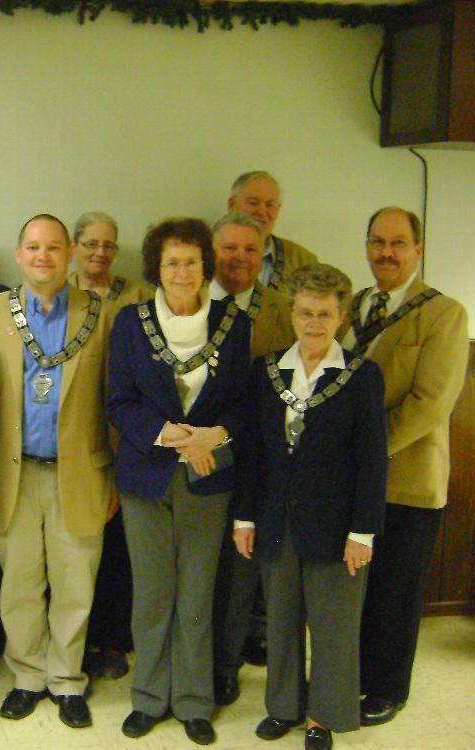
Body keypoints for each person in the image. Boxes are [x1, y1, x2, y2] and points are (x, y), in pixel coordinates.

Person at [106, 218, 250, 746]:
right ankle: (148, 697)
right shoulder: (131, 322)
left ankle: (193, 701)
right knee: (152, 594)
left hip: (210, 477)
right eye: (172, 262)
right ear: (156, 269)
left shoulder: (233, 323)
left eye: (191, 261)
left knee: (196, 594)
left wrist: (212, 436)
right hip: (146, 477)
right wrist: (170, 436)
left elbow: (241, 403)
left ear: (205, 266)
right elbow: (118, 401)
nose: (182, 271)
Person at [233, 263, 387, 750]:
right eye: (305, 313)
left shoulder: (361, 376)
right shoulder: (268, 371)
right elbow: (254, 451)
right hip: (277, 519)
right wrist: (245, 515)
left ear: (341, 316)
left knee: (333, 627)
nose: (314, 322)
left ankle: (323, 715)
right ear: (292, 313)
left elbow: (371, 460)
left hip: (338, 527)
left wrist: (363, 532)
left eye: (324, 314)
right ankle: (283, 707)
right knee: (279, 620)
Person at [0, 214, 116, 730]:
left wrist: (116, 478)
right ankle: (28, 676)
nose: (43, 257)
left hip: (80, 473)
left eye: (54, 248)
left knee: (76, 583)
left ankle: (66, 679)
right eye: (33, 247)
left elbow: (113, 401)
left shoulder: (103, 315)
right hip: (11, 474)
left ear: (70, 254)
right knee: (20, 585)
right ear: (17, 254)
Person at [343, 207, 469, 727]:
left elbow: (431, 403)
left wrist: (368, 453)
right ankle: (349, 676)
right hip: (350, 479)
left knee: (395, 590)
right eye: (377, 242)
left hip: (407, 479)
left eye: (398, 243)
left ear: (418, 249)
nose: (386, 253)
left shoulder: (445, 312)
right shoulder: (352, 306)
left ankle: (387, 688)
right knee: (356, 587)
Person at [208, 211, 297, 706]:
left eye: (249, 250)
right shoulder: (190, 302)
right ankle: (194, 659)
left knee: (241, 573)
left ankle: (227, 665)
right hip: (197, 457)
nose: (239, 258)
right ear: (212, 251)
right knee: (200, 571)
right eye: (229, 248)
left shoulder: (282, 309)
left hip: (258, 461)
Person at [68, 211, 151, 682]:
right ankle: (78, 641)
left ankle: (114, 640)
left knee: (119, 547)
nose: (99, 253)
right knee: (77, 548)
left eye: (108, 245)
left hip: (126, 437)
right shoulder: (58, 297)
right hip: (75, 438)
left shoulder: (138, 297)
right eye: (91, 244)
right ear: (76, 246)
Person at [227, 171, 318, 290]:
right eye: (253, 203)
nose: (262, 212)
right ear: (231, 205)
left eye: (270, 205)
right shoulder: (205, 252)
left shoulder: (303, 262)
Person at [69, 211, 154, 304]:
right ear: (73, 248)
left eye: (108, 246)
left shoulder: (140, 296)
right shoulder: (57, 292)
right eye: (92, 244)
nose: (101, 253)